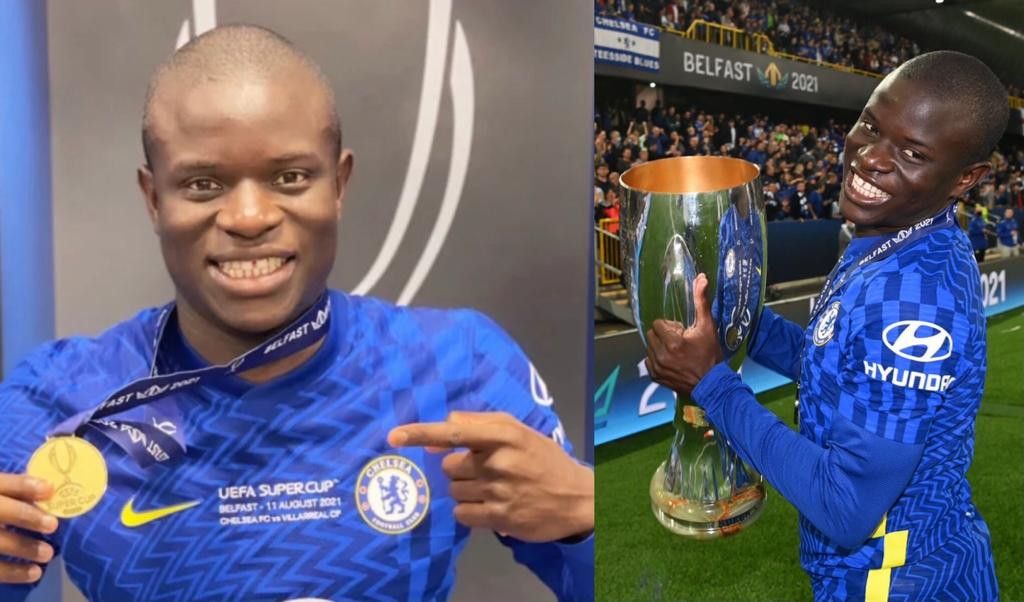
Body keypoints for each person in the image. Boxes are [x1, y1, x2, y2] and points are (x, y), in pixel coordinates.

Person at [0, 25, 593, 602]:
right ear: (155, 199)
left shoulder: (460, 366)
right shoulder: (54, 402)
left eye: (290, 177)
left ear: (339, 185)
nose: (249, 217)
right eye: (203, 184)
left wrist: (586, 515)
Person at [645, 51, 1005, 601]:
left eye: (912, 153)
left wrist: (711, 383)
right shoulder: (896, 238)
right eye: (871, 125)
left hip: (896, 582)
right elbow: (835, 368)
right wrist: (739, 321)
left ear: (967, 178)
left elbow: (845, 506)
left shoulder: (913, 303)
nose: (870, 157)